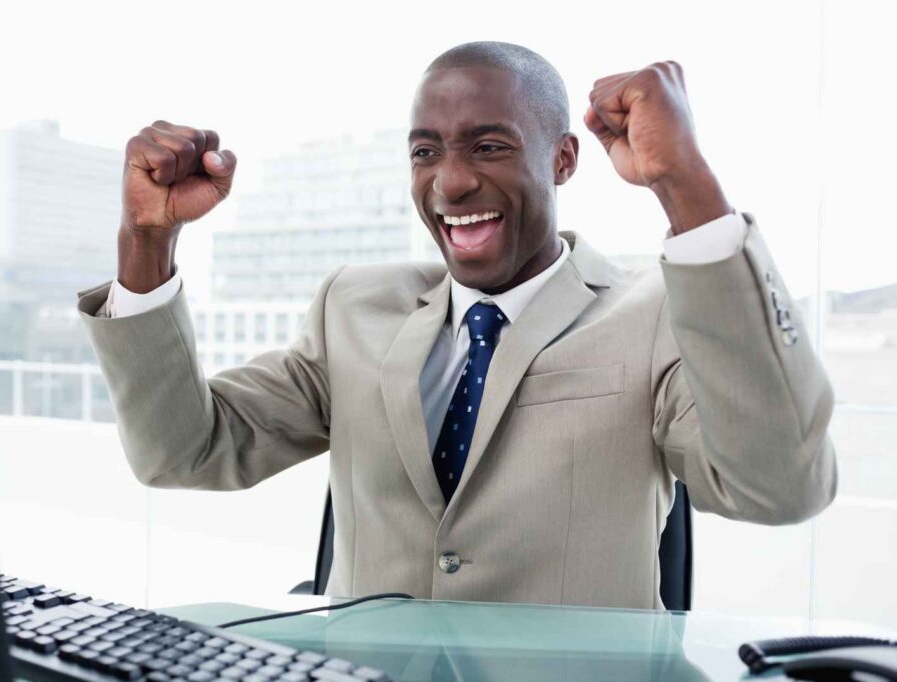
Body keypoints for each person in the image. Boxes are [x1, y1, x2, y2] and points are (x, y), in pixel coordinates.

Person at [78, 42, 836, 609]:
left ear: (564, 159)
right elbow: (181, 452)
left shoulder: (655, 315)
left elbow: (782, 487)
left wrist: (685, 182)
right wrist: (147, 243)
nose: (451, 181)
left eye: (488, 146)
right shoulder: (354, 307)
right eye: (425, 152)